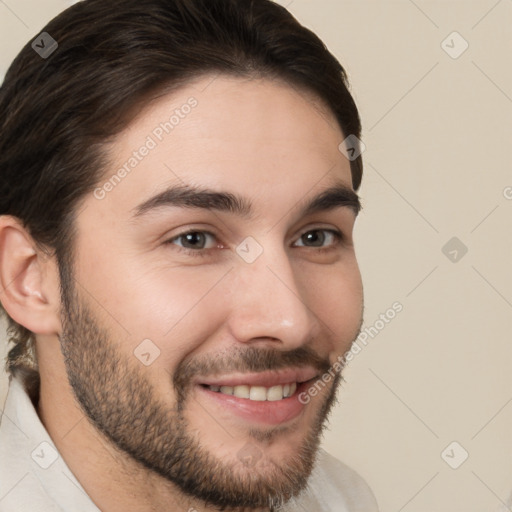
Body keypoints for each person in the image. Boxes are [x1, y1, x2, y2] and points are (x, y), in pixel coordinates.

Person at [0, 0, 378, 510]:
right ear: (29, 279)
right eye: (194, 239)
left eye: (315, 237)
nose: (290, 320)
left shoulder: (342, 499)